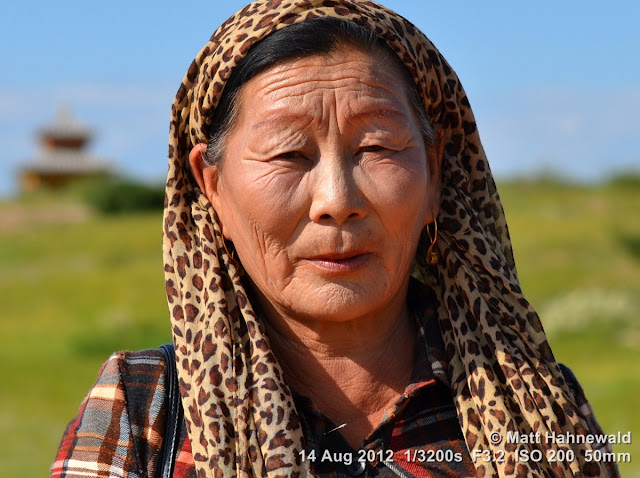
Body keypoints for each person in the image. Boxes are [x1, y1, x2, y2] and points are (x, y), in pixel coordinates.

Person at [51, 1, 618, 477]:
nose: (336, 200)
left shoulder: (534, 404)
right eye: (289, 154)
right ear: (214, 186)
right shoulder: (145, 406)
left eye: (376, 148)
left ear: (435, 176)